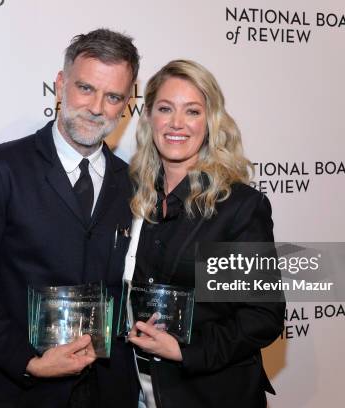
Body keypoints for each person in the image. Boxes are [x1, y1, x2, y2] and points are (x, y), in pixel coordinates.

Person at [0, 29, 140, 408]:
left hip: (109, 392)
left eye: (112, 97)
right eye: (85, 88)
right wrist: (30, 362)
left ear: (126, 104)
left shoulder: (132, 184)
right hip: (23, 392)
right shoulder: (1, 169)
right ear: (60, 85)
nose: (96, 107)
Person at [125, 60, 285, 408]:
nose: (177, 123)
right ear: (149, 115)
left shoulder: (237, 208)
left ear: (210, 122)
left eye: (192, 111)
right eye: (165, 109)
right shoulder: (133, 196)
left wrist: (186, 350)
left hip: (208, 394)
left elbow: (262, 316)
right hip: (135, 389)